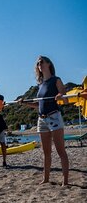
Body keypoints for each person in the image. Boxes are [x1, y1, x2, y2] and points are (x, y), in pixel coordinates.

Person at [22, 56, 69, 186]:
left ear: (48, 64)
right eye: (38, 63)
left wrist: (60, 96)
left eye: (41, 62)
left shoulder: (56, 80)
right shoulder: (41, 84)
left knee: (60, 151)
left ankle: (65, 181)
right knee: (46, 152)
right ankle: (46, 179)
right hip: (41, 119)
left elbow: (65, 100)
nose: (39, 64)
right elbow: (39, 104)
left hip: (54, 117)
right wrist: (26, 103)